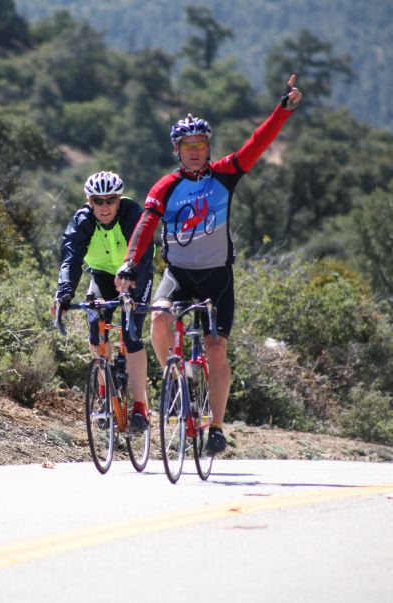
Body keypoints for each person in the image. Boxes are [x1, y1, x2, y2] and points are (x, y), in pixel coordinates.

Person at [115, 74, 303, 454]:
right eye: (188, 146)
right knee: (159, 319)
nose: (195, 152)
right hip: (179, 275)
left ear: (208, 147)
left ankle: (216, 427)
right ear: (177, 150)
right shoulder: (165, 187)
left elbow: (257, 143)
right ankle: (175, 378)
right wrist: (129, 266)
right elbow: (146, 226)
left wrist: (283, 110)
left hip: (217, 279)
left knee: (216, 349)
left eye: (201, 145)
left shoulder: (225, 174)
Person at [54, 171, 155, 432]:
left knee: (131, 336)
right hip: (101, 274)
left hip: (135, 272)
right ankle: (103, 388)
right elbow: (71, 258)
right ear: (90, 201)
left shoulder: (132, 212)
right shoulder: (83, 220)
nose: (105, 206)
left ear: (119, 199)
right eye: (98, 201)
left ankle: (140, 408)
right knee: (95, 328)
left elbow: (143, 252)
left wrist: (131, 277)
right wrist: (64, 293)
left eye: (111, 200)